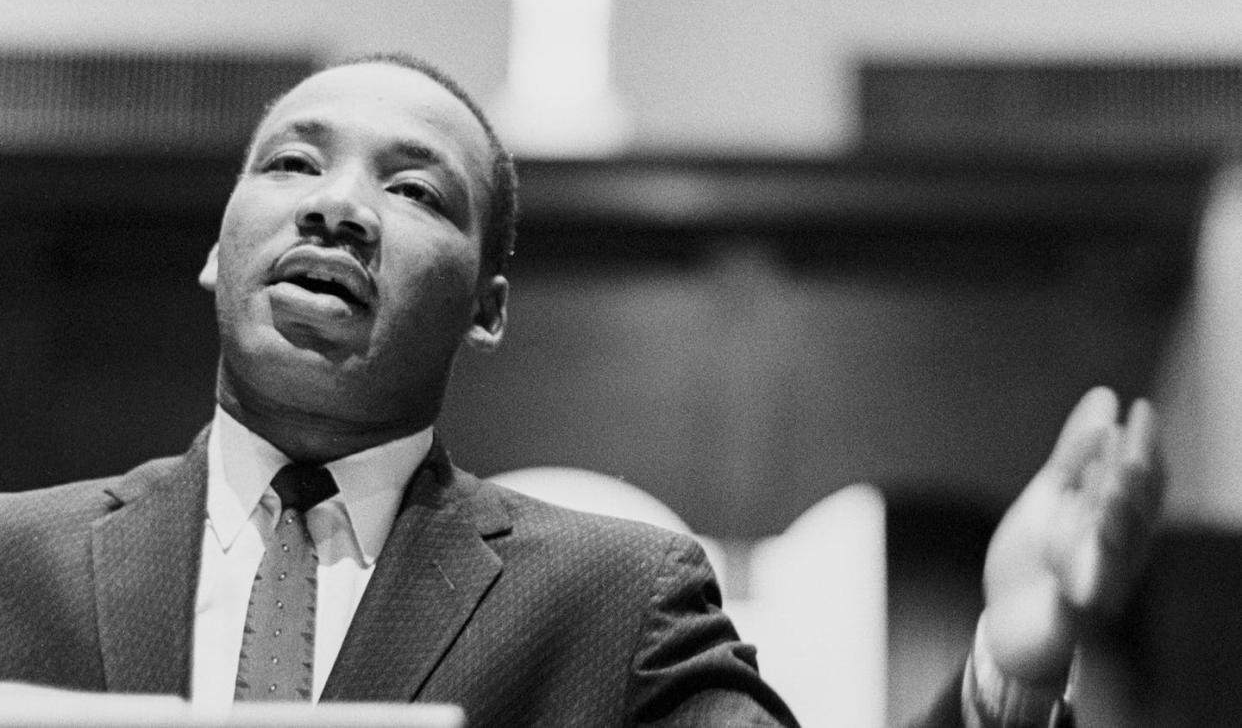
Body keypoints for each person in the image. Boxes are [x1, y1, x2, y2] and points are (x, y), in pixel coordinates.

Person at [0, 53, 1162, 726]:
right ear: (217, 246)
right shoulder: (17, 560)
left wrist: (1011, 669)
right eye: (294, 162)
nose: (337, 206)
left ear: (488, 307)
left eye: (414, 189)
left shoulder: (613, 601)